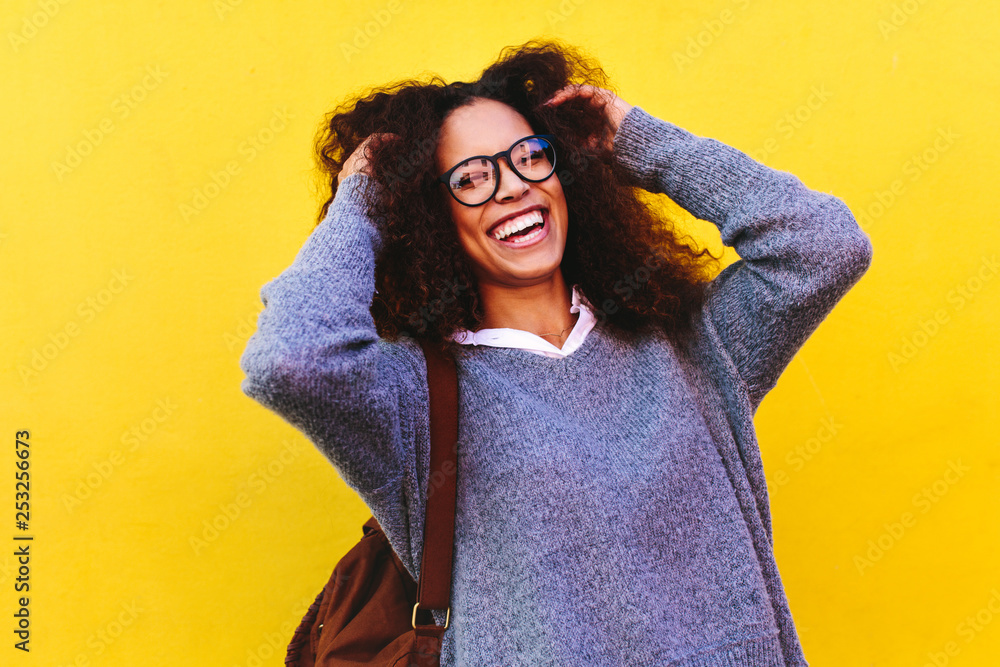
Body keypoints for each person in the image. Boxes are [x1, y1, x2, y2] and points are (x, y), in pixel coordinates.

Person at [240, 40, 873, 666]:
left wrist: (642, 142)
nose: (512, 187)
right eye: (470, 178)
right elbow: (291, 361)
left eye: (530, 158)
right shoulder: (411, 401)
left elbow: (822, 247)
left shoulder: (690, 346)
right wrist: (363, 200)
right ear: (428, 217)